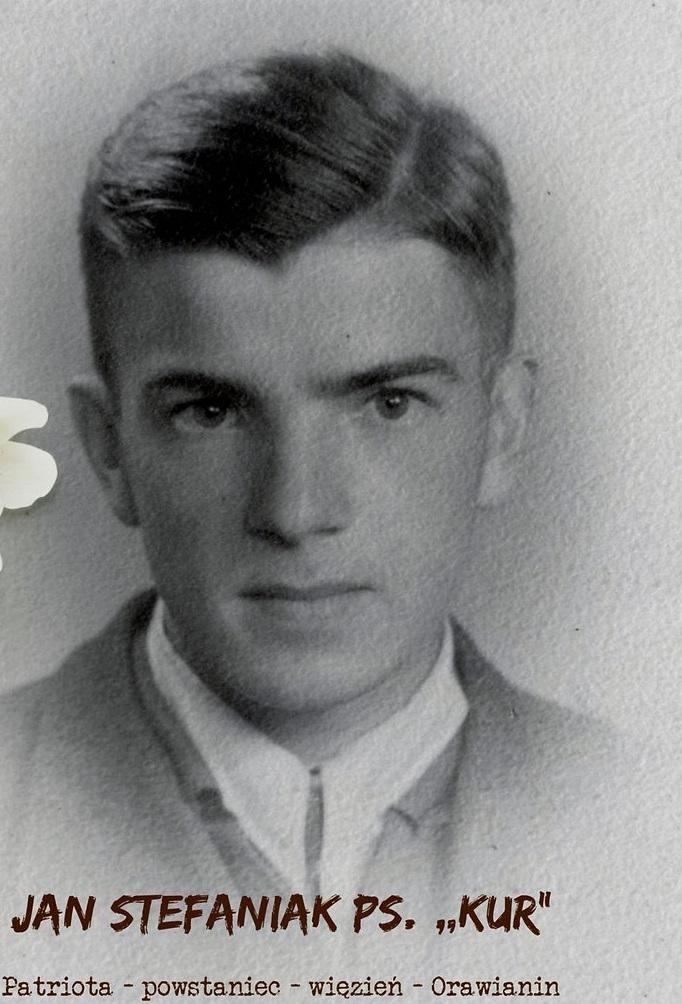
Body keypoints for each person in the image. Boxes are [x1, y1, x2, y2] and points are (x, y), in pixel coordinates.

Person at [0, 51, 629, 965]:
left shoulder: (650, 818)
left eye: (388, 404)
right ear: (110, 450)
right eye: (210, 411)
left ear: (501, 431)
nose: (294, 512)